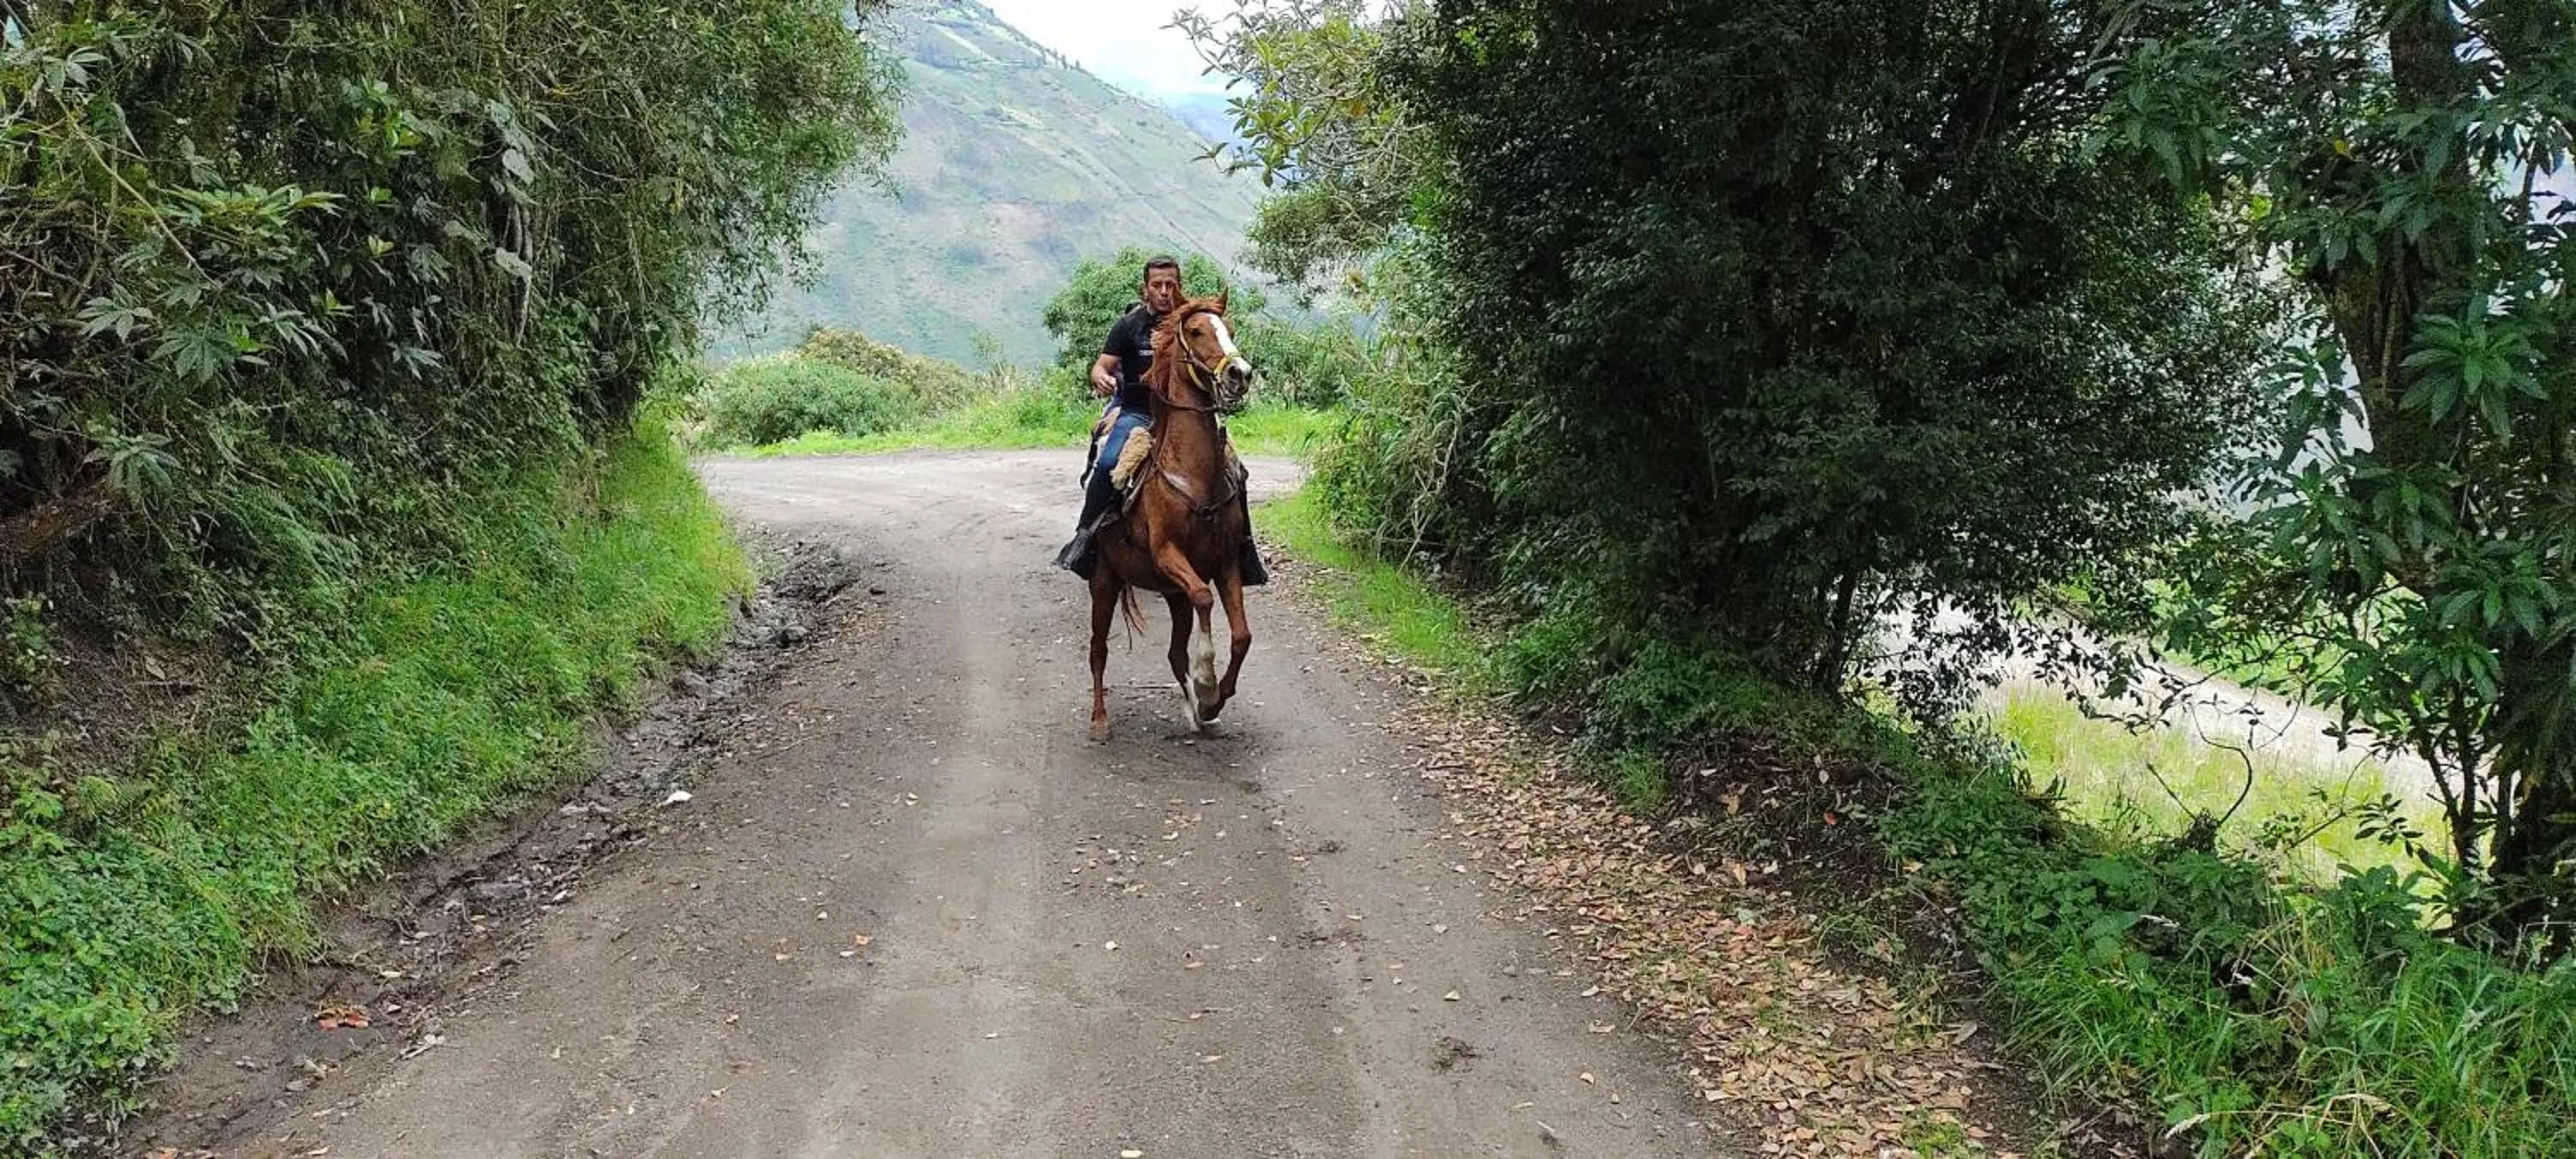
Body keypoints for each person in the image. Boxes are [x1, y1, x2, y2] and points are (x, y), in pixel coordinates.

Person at [1055, 256, 1266, 585]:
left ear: (1179, 286)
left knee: (1235, 470)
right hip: (1138, 413)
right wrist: (1100, 377)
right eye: (1158, 285)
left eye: (1171, 284)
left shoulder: (1193, 323)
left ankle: (1244, 548)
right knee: (1108, 463)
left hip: (1188, 416)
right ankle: (1086, 541)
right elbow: (1101, 365)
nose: (1165, 291)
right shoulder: (1129, 326)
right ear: (1146, 288)